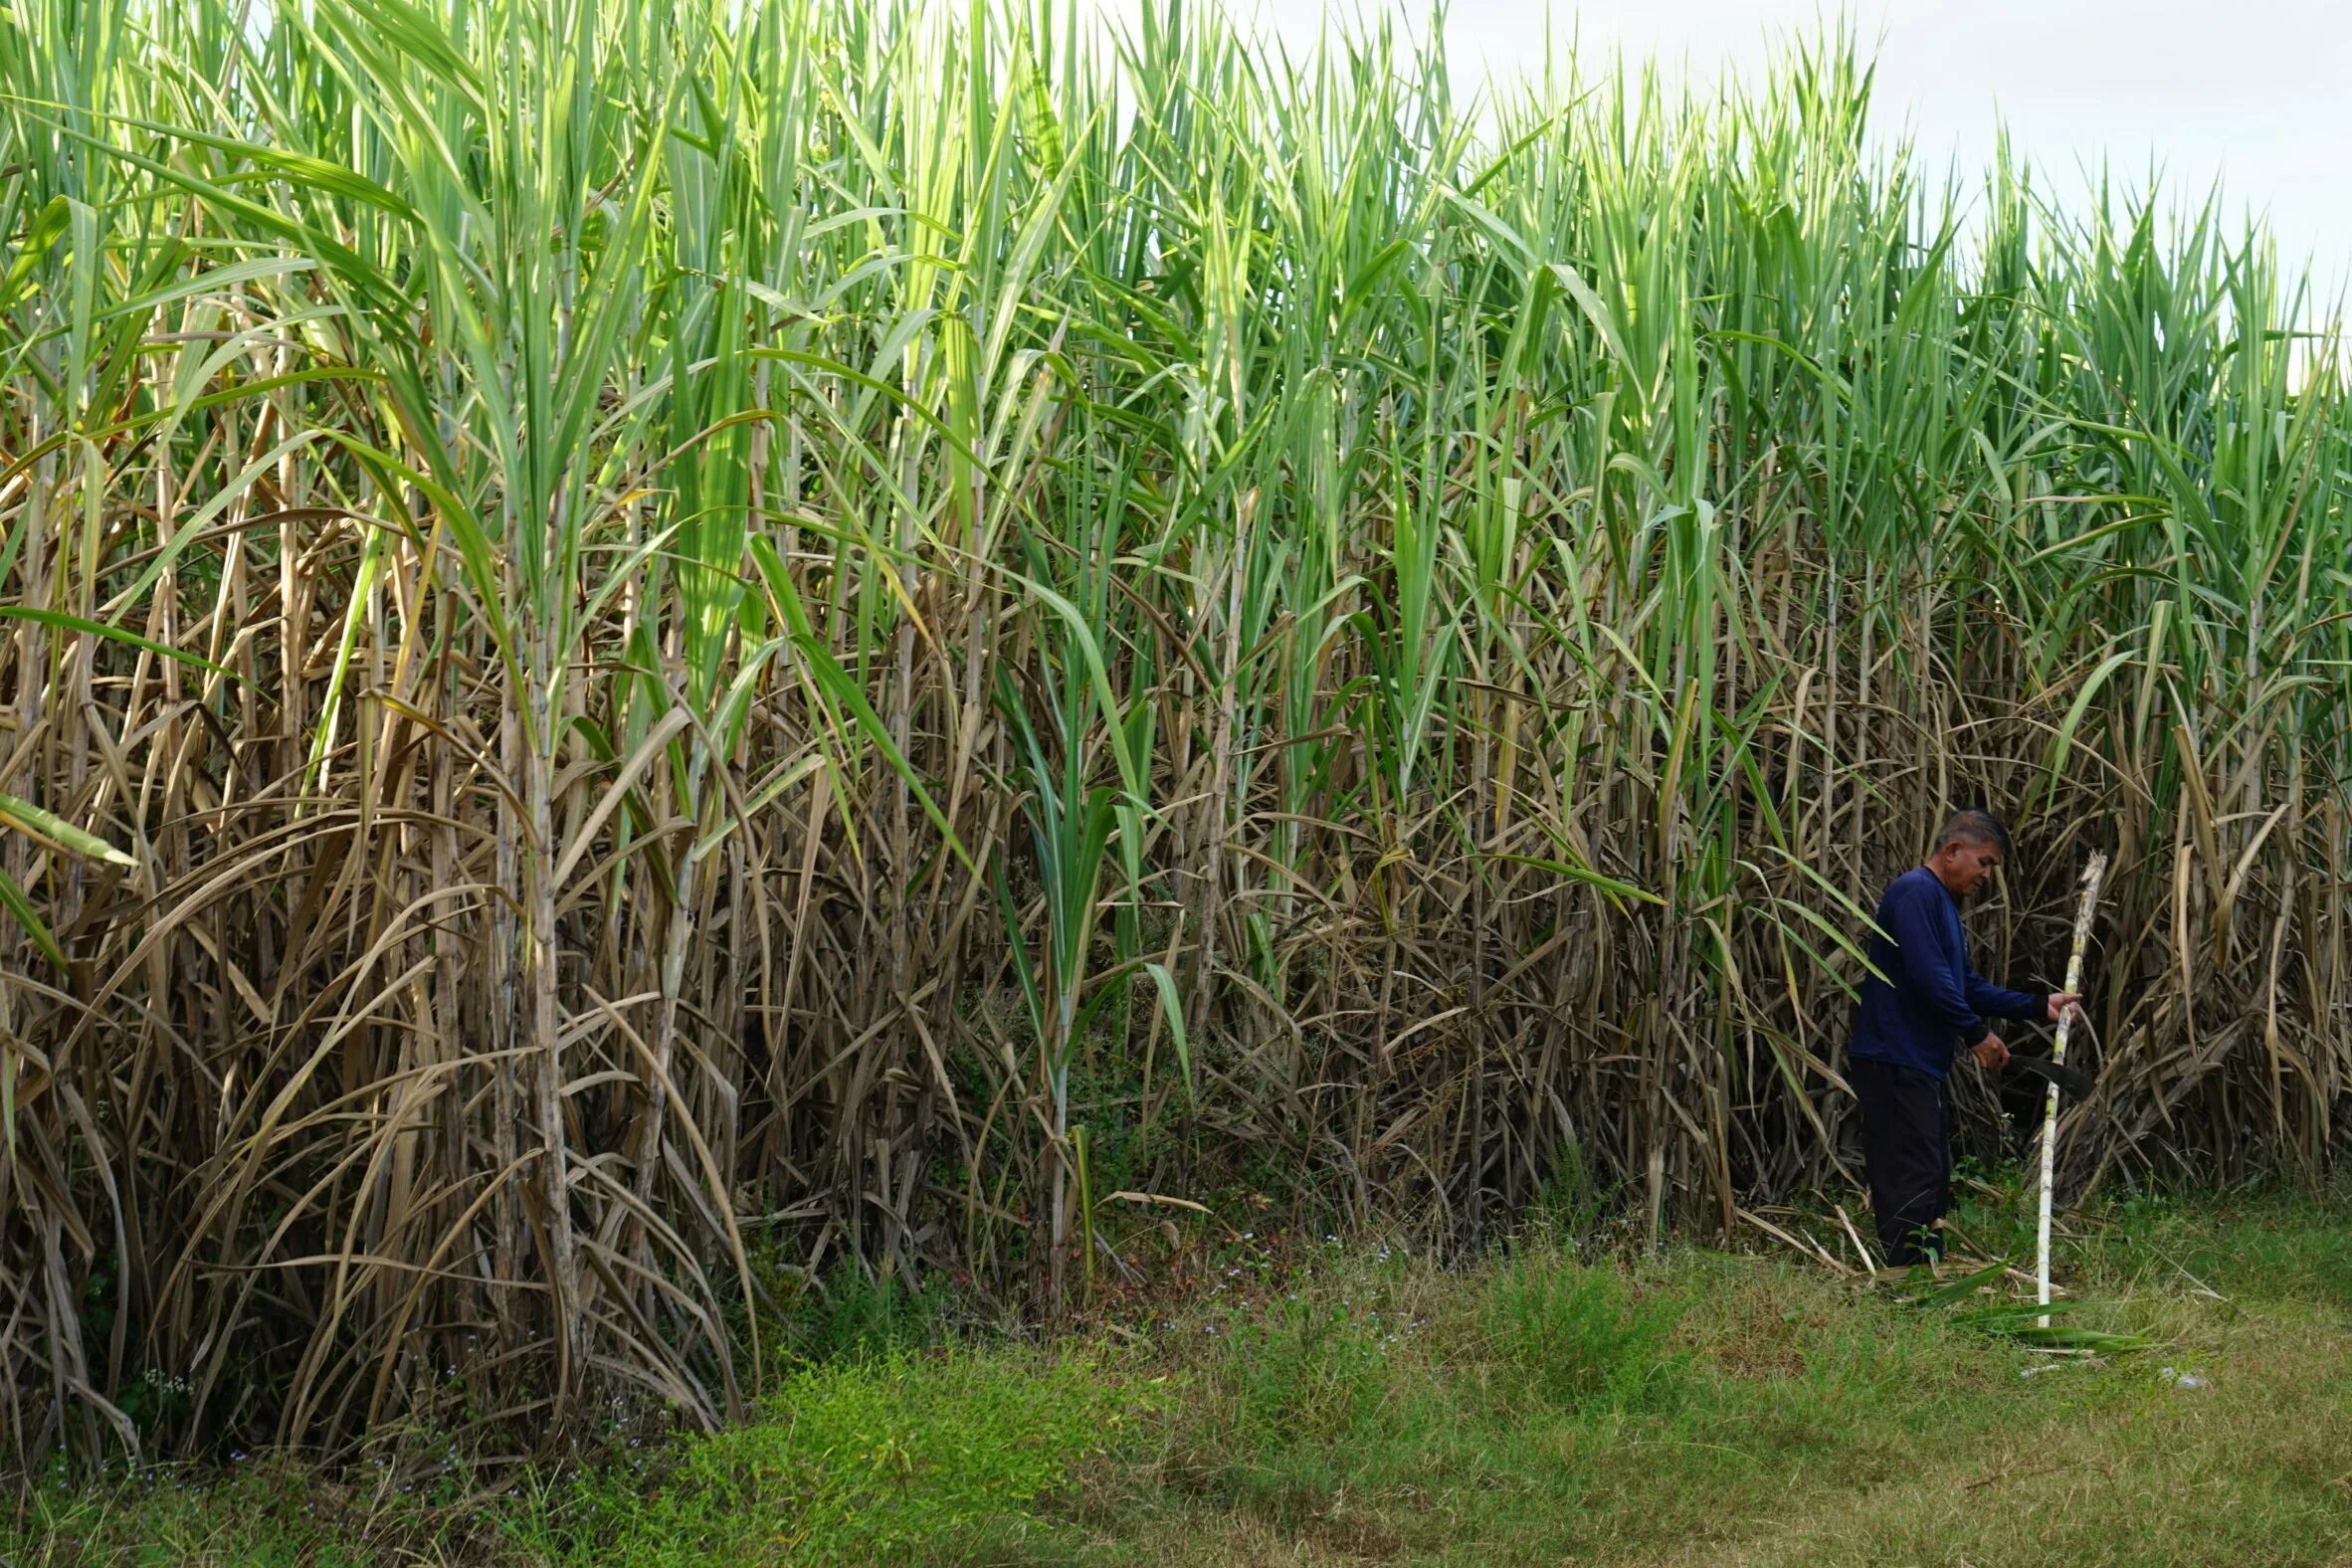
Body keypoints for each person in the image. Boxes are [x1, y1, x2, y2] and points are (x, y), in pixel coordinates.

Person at [1848, 809, 2081, 1267]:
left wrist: (2037, 1006)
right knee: (1911, 1168)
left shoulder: (1941, 904)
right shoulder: (1916, 892)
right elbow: (1930, 979)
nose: (1987, 876)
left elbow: (1963, 985)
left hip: (1917, 1061)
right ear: (1952, 851)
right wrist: (1977, 1035)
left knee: (1931, 1167)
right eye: (1985, 862)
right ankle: (1907, 1275)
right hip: (1894, 1056)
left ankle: (1924, 1266)